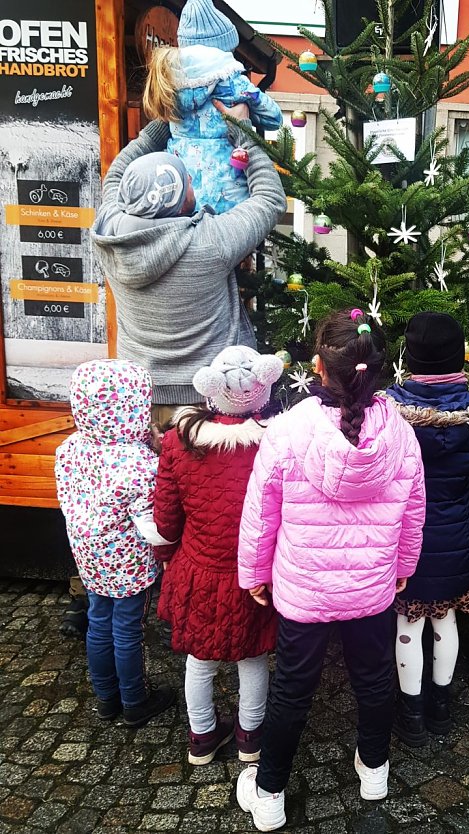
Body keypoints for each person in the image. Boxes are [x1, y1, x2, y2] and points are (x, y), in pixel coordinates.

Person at [236, 310, 426, 832]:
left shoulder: (288, 430)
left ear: (318, 365)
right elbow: (414, 508)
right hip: (371, 588)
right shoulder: (401, 432)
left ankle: (269, 792)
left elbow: (261, 510)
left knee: (292, 689)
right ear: (380, 368)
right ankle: (375, 771)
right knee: (374, 678)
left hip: (304, 588)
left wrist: (253, 571)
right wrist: (404, 565)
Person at [91, 106, 286, 426]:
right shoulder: (210, 242)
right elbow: (269, 199)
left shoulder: (108, 233)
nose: (192, 179)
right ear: (179, 197)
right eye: (186, 181)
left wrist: (166, 121)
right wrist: (242, 131)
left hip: (140, 398)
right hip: (212, 399)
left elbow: (116, 175)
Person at [153, 346, 284, 765]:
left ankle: (202, 738)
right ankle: (251, 738)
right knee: (253, 656)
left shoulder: (179, 440)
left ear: (210, 390)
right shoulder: (279, 441)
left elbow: (166, 514)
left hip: (199, 568)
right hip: (257, 572)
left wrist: (165, 553)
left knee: (200, 658)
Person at [381, 312, 469, 746]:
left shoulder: (388, 413)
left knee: (407, 624)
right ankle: (441, 709)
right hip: (457, 536)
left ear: (409, 357)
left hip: (404, 540)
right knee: (445, 620)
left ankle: (411, 715)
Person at [55, 360, 176, 728]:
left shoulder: (69, 448)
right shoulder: (138, 463)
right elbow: (152, 529)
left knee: (96, 621)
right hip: (128, 565)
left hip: (88, 556)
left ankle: (106, 699)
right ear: (135, 406)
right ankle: (135, 700)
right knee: (126, 629)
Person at [143, 0, 284, 214]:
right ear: (221, 48)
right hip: (227, 194)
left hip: (180, 192)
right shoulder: (231, 81)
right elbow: (274, 119)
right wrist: (249, 102)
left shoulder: (166, 81)